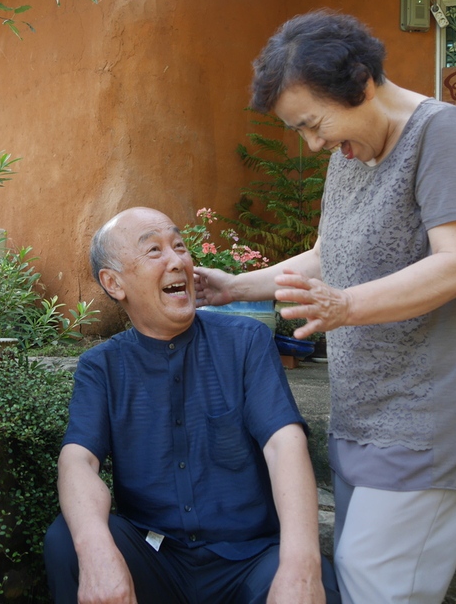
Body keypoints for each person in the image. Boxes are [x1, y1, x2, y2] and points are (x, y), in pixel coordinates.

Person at [194, 10, 456, 604]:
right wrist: (234, 286)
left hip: (430, 421)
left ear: (361, 82)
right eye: (301, 132)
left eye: (314, 123)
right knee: (364, 582)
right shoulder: (349, 157)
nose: (313, 144)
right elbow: (325, 256)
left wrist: (345, 306)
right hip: (365, 417)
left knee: (374, 584)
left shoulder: (445, 135)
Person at [44, 206, 341, 604]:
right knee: (68, 541)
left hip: (249, 561)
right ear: (114, 283)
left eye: (180, 246)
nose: (177, 261)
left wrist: (300, 563)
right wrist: (96, 552)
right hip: (156, 559)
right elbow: (78, 461)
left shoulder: (245, 341)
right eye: (154, 251)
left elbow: (283, 443)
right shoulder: (101, 367)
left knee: (317, 579)